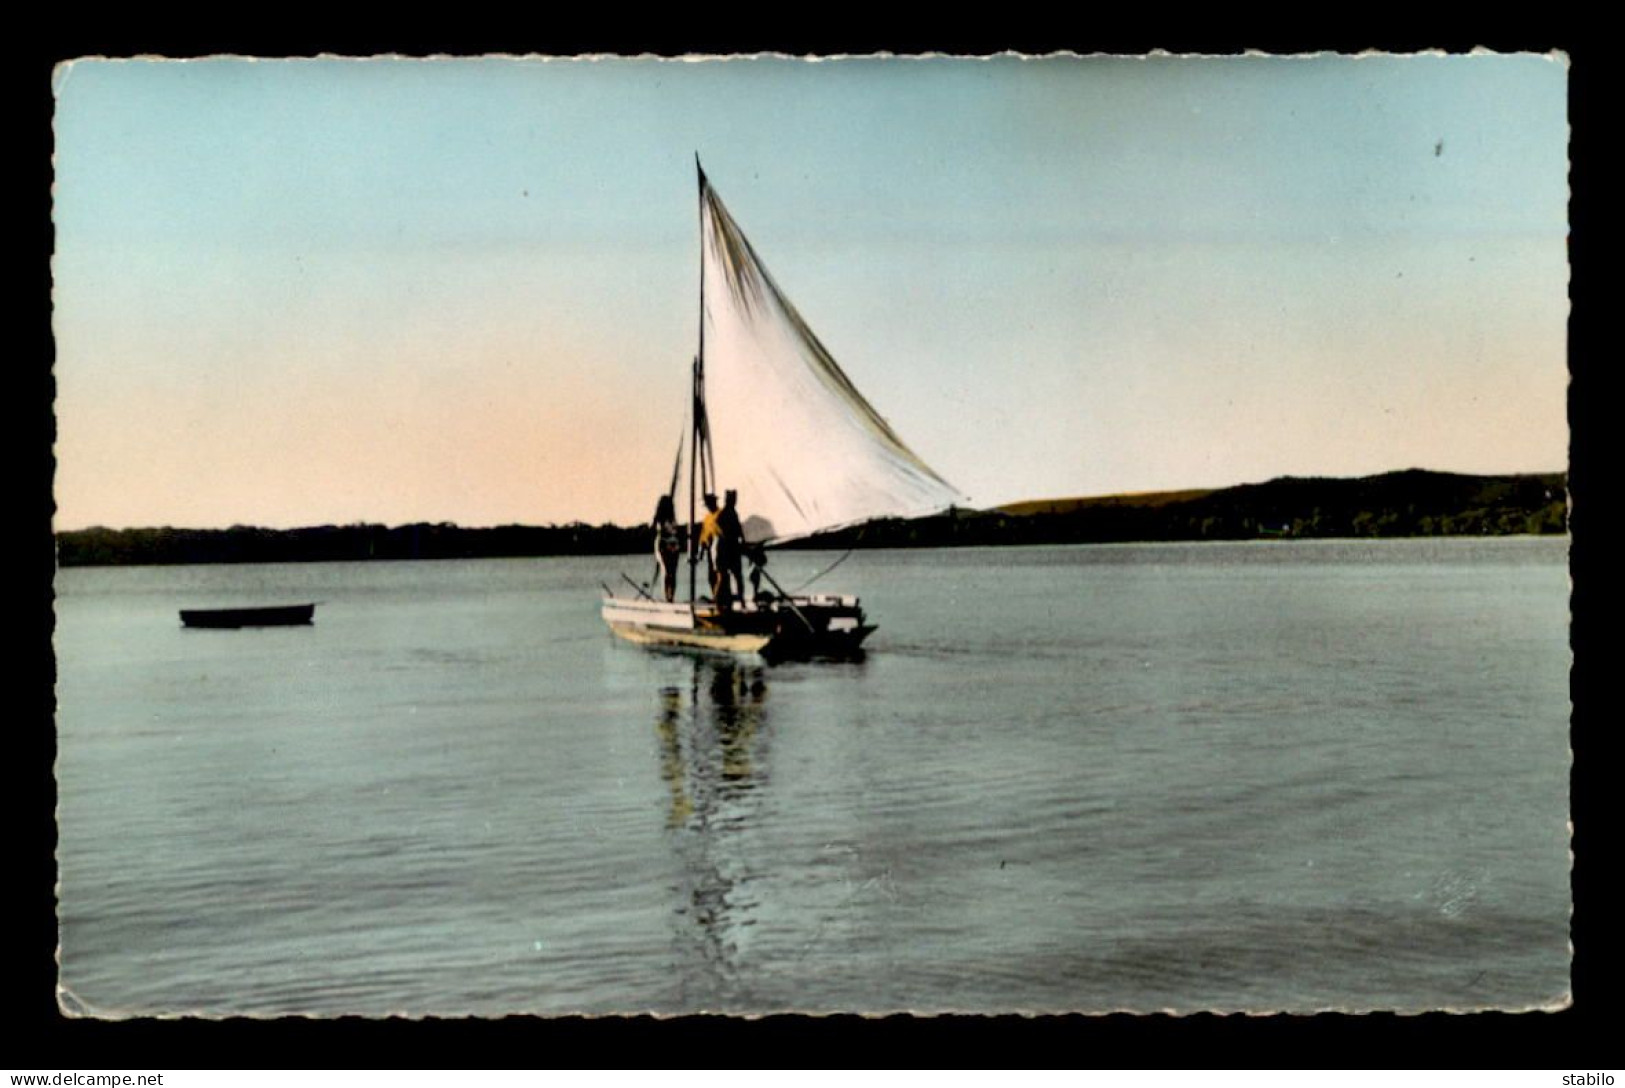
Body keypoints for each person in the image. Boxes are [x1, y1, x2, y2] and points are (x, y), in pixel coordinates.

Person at [715, 489, 746, 610]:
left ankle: (741, 600)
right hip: (724, 550)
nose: (733, 501)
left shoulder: (734, 513)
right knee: (722, 577)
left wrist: (741, 541)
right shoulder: (723, 514)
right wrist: (729, 537)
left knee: (738, 576)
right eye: (731, 498)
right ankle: (718, 602)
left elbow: (739, 530)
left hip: (733, 549)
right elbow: (720, 529)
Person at [650, 494, 682, 603]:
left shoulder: (673, 519)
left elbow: (676, 533)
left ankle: (671, 596)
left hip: (673, 545)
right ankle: (666, 596)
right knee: (667, 571)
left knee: (673, 572)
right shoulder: (660, 519)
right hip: (663, 545)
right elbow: (658, 531)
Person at [694, 493, 722, 601]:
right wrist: (700, 553)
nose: (708, 506)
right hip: (711, 550)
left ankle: (718, 596)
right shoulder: (707, 518)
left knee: (720, 574)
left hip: (721, 548)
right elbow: (703, 536)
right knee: (711, 576)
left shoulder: (720, 514)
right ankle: (715, 595)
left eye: (708, 504)